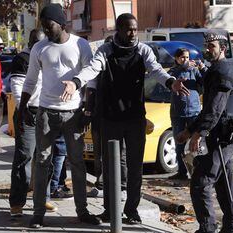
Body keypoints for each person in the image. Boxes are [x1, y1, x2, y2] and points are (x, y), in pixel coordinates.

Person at [67, 13, 189, 224]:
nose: (133, 33)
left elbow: (156, 70)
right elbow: (92, 68)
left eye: (135, 28)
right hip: (110, 118)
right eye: (129, 29)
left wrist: (170, 83)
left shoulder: (143, 50)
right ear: (119, 30)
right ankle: (109, 210)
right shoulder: (106, 51)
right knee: (108, 166)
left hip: (134, 118)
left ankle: (131, 210)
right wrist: (76, 82)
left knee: (134, 168)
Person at [18, 4, 102, 228]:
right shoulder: (39, 48)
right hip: (46, 113)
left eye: (50, 25)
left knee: (77, 163)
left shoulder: (80, 45)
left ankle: (82, 211)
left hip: (73, 114)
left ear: (62, 24)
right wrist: (22, 106)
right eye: (44, 26)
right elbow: (31, 80)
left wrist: (87, 110)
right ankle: (37, 214)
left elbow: (91, 79)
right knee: (42, 162)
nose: (46, 30)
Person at [177, 32, 233, 233]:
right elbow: (208, 109)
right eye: (206, 45)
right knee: (223, 183)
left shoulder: (225, 70)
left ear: (223, 48)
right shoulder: (217, 70)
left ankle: (208, 228)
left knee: (200, 183)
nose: (207, 49)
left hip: (223, 135)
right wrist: (189, 131)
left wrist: (199, 134)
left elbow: (216, 108)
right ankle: (230, 226)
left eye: (212, 46)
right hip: (220, 133)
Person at [9, 29, 59, 217]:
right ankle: (17, 203)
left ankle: (42, 198)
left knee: (46, 158)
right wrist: (24, 109)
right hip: (27, 113)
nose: (39, 46)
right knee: (24, 159)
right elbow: (17, 86)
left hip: (46, 112)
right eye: (36, 42)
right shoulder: (22, 58)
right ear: (30, 42)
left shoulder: (48, 57)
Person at [85, 35, 128, 198]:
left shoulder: (122, 67)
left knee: (120, 152)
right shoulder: (97, 67)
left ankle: (122, 186)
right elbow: (91, 89)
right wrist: (88, 112)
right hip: (99, 115)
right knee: (99, 153)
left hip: (117, 116)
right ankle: (101, 183)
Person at [168, 48, 204, 180]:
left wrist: (201, 67)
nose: (185, 60)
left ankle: (198, 171)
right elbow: (168, 80)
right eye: (182, 57)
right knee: (179, 144)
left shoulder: (194, 70)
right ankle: (182, 172)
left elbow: (205, 81)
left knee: (196, 144)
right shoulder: (173, 72)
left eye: (187, 57)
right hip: (178, 114)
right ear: (176, 59)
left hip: (194, 111)